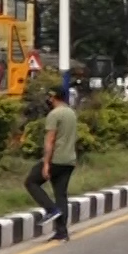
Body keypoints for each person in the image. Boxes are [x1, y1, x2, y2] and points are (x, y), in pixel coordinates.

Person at [25, 85, 78, 242]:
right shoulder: (71, 113)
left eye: (49, 96)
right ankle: (62, 232)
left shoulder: (54, 115)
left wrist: (46, 163)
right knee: (61, 195)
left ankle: (51, 209)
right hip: (69, 160)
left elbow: (50, 141)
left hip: (56, 159)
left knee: (31, 182)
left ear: (54, 97)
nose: (48, 99)